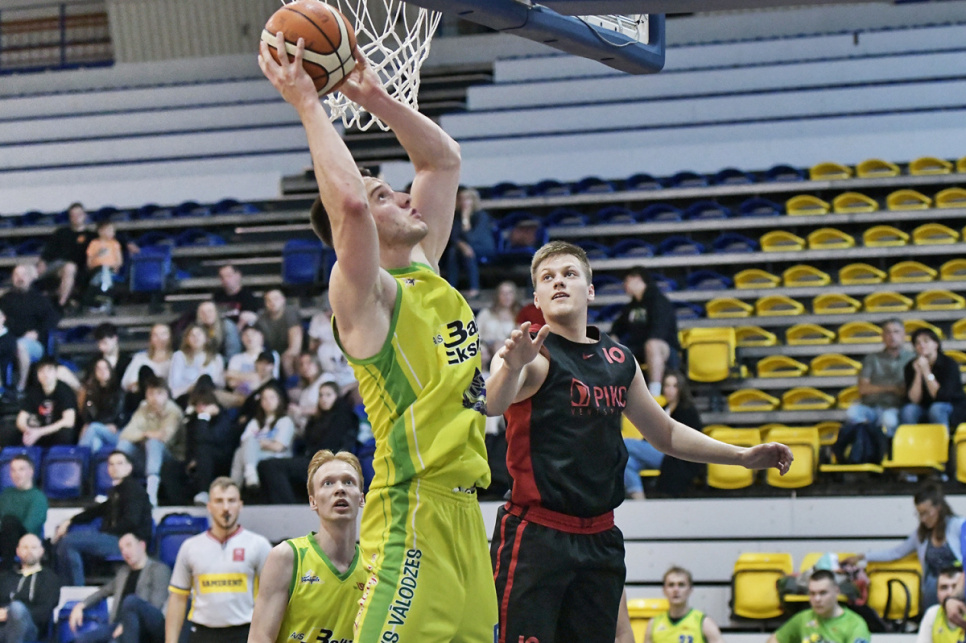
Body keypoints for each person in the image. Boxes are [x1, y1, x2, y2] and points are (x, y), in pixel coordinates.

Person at [259, 35, 498, 642]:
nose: (404, 196)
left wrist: (375, 97)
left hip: (466, 513)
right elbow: (350, 206)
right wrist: (307, 103)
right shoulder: (364, 297)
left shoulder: (426, 266)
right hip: (411, 511)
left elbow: (443, 161)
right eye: (384, 195)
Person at [485, 241, 791, 643]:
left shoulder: (619, 360)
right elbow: (493, 403)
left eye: (569, 274)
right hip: (536, 536)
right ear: (537, 298)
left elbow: (666, 433)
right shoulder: (528, 355)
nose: (558, 281)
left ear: (590, 291)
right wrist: (511, 367)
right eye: (547, 277)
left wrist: (741, 457)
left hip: (600, 537)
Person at [248, 450, 368, 643]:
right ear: (313, 501)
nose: (340, 489)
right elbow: (260, 638)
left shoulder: (373, 565)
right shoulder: (287, 557)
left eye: (348, 482)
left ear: (361, 498)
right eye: (328, 483)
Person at [165, 477, 271, 643]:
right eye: (219, 501)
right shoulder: (190, 547)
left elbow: (275, 598)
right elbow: (178, 598)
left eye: (231, 501)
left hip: (245, 632)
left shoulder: (258, 545)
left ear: (240, 505)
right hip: (202, 634)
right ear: (209, 506)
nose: (226, 507)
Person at [845, 484, 962, 610]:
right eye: (919, 514)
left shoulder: (958, 526)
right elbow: (895, 553)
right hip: (933, 591)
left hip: (958, 586)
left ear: (939, 508)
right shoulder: (920, 535)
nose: (923, 519)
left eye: (926, 513)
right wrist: (863, 556)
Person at [53, 450, 153, 586]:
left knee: (69, 541)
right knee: (67, 540)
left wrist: (104, 532)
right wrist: (70, 520)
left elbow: (131, 521)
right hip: (116, 537)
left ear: (129, 468)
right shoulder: (118, 491)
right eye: (111, 464)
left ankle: (75, 588)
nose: (115, 467)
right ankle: (70, 585)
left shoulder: (133, 490)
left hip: (128, 541)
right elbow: (96, 511)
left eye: (120, 463)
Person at [259, 381, 359, 504]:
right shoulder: (318, 418)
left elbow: (331, 444)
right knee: (264, 465)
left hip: (328, 461)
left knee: (272, 466)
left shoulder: (344, 417)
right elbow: (308, 440)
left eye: (328, 395)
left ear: (337, 396)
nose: (324, 399)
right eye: (321, 395)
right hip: (311, 459)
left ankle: (287, 506)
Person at [835, 319, 914, 463]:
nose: (892, 336)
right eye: (888, 332)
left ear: (904, 335)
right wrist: (892, 388)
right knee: (852, 413)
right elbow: (863, 389)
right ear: (882, 336)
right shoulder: (871, 358)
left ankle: (888, 457)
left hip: (894, 407)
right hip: (870, 407)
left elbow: (906, 391)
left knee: (889, 420)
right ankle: (859, 454)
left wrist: (876, 387)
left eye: (896, 332)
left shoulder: (912, 359)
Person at [68, 532, 171, 643]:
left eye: (129, 545)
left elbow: (156, 607)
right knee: (79, 640)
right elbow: (103, 591)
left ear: (142, 545)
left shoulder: (158, 569)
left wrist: (126, 624)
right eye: (122, 549)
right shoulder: (123, 572)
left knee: (131, 601)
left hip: (145, 627)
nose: (125, 552)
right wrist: (81, 605)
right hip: (117, 625)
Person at [624, 370, 704, 499]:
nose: (670, 390)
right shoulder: (662, 409)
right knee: (626, 461)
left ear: (680, 389)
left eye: (674, 386)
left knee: (626, 444)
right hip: (658, 450)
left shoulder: (687, 411)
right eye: (667, 386)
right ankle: (639, 500)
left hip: (674, 455)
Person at [610, 266, 680, 396]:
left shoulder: (659, 301)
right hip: (639, 349)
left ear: (637, 279)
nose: (624, 285)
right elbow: (617, 328)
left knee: (652, 345)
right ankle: (615, 394)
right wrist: (613, 339)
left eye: (627, 281)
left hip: (666, 351)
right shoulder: (631, 306)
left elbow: (660, 332)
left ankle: (655, 393)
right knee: (613, 348)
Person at [117, 376, 185, 506]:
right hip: (146, 455)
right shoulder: (144, 408)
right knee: (123, 446)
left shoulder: (173, 411)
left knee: (154, 443)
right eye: (151, 393)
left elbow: (165, 438)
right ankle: (119, 489)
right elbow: (125, 434)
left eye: (159, 393)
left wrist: (147, 436)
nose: (154, 398)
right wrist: (145, 434)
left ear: (166, 395)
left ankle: (151, 495)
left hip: (171, 459)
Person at [767, 570, 870, 643]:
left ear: (836, 592)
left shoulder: (855, 625)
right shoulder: (803, 618)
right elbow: (775, 639)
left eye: (823, 593)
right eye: (812, 593)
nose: (817, 599)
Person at [0, 263, 60, 390]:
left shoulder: (40, 300)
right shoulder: (5, 300)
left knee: (21, 346)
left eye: (23, 275)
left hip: (33, 343)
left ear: (30, 278)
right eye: (16, 275)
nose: (20, 278)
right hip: (8, 340)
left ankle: (21, 386)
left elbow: (52, 319)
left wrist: (37, 332)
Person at [1, 356, 76, 448]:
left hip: (54, 432)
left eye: (49, 370)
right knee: (8, 432)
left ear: (56, 372)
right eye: (41, 371)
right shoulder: (34, 391)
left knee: (66, 433)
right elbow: (21, 420)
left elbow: (69, 421)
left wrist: (39, 432)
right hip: (37, 433)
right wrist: (28, 431)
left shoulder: (65, 391)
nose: (45, 374)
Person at [231, 383, 294, 491]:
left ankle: (235, 486)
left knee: (242, 451)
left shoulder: (285, 421)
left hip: (278, 456)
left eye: (272, 397)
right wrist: (262, 443)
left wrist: (258, 443)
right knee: (240, 451)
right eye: (264, 398)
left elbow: (278, 447)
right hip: (257, 454)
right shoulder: (255, 421)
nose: (268, 401)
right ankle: (246, 477)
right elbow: (245, 442)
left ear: (279, 400)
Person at [901, 328, 966, 430]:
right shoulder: (910, 366)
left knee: (936, 409)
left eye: (926, 341)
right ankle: (911, 440)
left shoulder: (949, 364)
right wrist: (918, 373)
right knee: (909, 410)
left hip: (951, 407)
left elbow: (940, 396)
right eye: (917, 343)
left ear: (936, 344)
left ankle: (943, 439)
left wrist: (926, 371)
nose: (922, 345)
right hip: (924, 407)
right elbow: (914, 400)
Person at [0, 534, 60, 643]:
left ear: (41, 551)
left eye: (34, 547)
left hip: (31, 629)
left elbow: (44, 612)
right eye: (25, 547)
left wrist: (9, 614)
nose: (29, 551)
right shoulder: (5, 577)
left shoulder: (49, 578)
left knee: (17, 608)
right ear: (17, 551)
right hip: (2, 627)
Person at [645, 567, 724, 643]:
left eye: (681, 585)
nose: (676, 590)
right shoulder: (654, 624)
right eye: (671, 585)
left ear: (690, 590)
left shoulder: (703, 623)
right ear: (664, 590)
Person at [38, 201, 89, 308]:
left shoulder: (91, 235)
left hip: (76, 268)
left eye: (79, 214)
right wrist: (43, 261)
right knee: (27, 270)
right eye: (73, 215)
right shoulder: (61, 232)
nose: (76, 217)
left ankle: (61, 302)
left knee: (70, 268)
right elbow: (48, 250)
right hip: (56, 265)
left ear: (84, 215)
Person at [446, 187, 495, 298]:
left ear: (473, 200)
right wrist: (462, 245)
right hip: (463, 249)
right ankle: (451, 287)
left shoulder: (482, 216)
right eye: (461, 199)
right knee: (453, 251)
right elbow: (453, 237)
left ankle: (474, 288)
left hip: (483, 247)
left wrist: (465, 219)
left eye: (467, 199)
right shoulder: (456, 216)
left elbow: (472, 238)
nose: (464, 202)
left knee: (468, 252)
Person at [0, 456, 47, 573]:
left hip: (24, 541)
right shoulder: (6, 494)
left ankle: (6, 570)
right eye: (13, 470)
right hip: (3, 538)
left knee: (10, 522)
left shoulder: (38, 497)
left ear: (31, 472)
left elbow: (29, 527)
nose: (17, 474)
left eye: (21, 469)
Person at [77, 357, 127, 453]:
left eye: (105, 368)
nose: (102, 372)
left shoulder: (118, 391)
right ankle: (92, 462)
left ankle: (79, 457)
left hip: (116, 431)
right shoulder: (91, 392)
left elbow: (117, 414)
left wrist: (96, 424)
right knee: (95, 442)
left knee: (93, 428)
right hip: (99, 429)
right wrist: (90, 423)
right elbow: (87, 414)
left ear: (110, 370)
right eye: (99, 369)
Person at [168, 323, 226, 401]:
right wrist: (194, 387)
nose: (196, 338)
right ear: (187, 339)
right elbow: (173, 384)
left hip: (210, 396)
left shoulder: (216, 358)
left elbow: (220, 384)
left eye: (199, 334)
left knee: (205, 380)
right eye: (192, 335)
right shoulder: (179, 356)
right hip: (186, 396)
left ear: (206, 338)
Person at [254, 289, 302, 378]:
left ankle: (292, 384)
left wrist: (284, 356)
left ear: (283, 300)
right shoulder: (261, 319)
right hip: (273, 353)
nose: (272, 303)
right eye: (269, 300)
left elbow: (295, 347)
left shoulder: (290, 313)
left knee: (288, 358)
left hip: (291, 352)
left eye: (276, 299)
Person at [917, 565, 963, 643]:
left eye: (955, 587)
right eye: (944, 587)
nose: (949, 593)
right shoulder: (932, 614)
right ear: (937, 593)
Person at [84, 220, 123, 312]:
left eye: (113, 231)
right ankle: (105, 297)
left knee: (104, 273)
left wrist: (116, 266)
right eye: (109, 230)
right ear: (100, 231)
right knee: (102, 271)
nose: (112, 233)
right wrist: (97, 255)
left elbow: (119, 260)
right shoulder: (94, 244)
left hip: (110, 270)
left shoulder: (114, 244)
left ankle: (98, 298)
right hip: (96, 270)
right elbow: (89, 262)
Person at [476, 280, 523, 354]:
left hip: (512, 349)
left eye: (510, 293)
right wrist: (483, 346)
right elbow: (476, 334)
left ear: (515, 295)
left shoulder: (521, 314)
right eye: (503, 293)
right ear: (497, 295)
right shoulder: (486, 313)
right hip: (487, 348)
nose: (506, 296)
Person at [213, 264, 260, 330]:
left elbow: (250, 318)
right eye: (222, 277)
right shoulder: (217, 296)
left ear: (238, 275)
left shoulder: (247, 296)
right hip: (221, 331)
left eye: (229, 276)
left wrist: (236, 331)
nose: (225, 279)